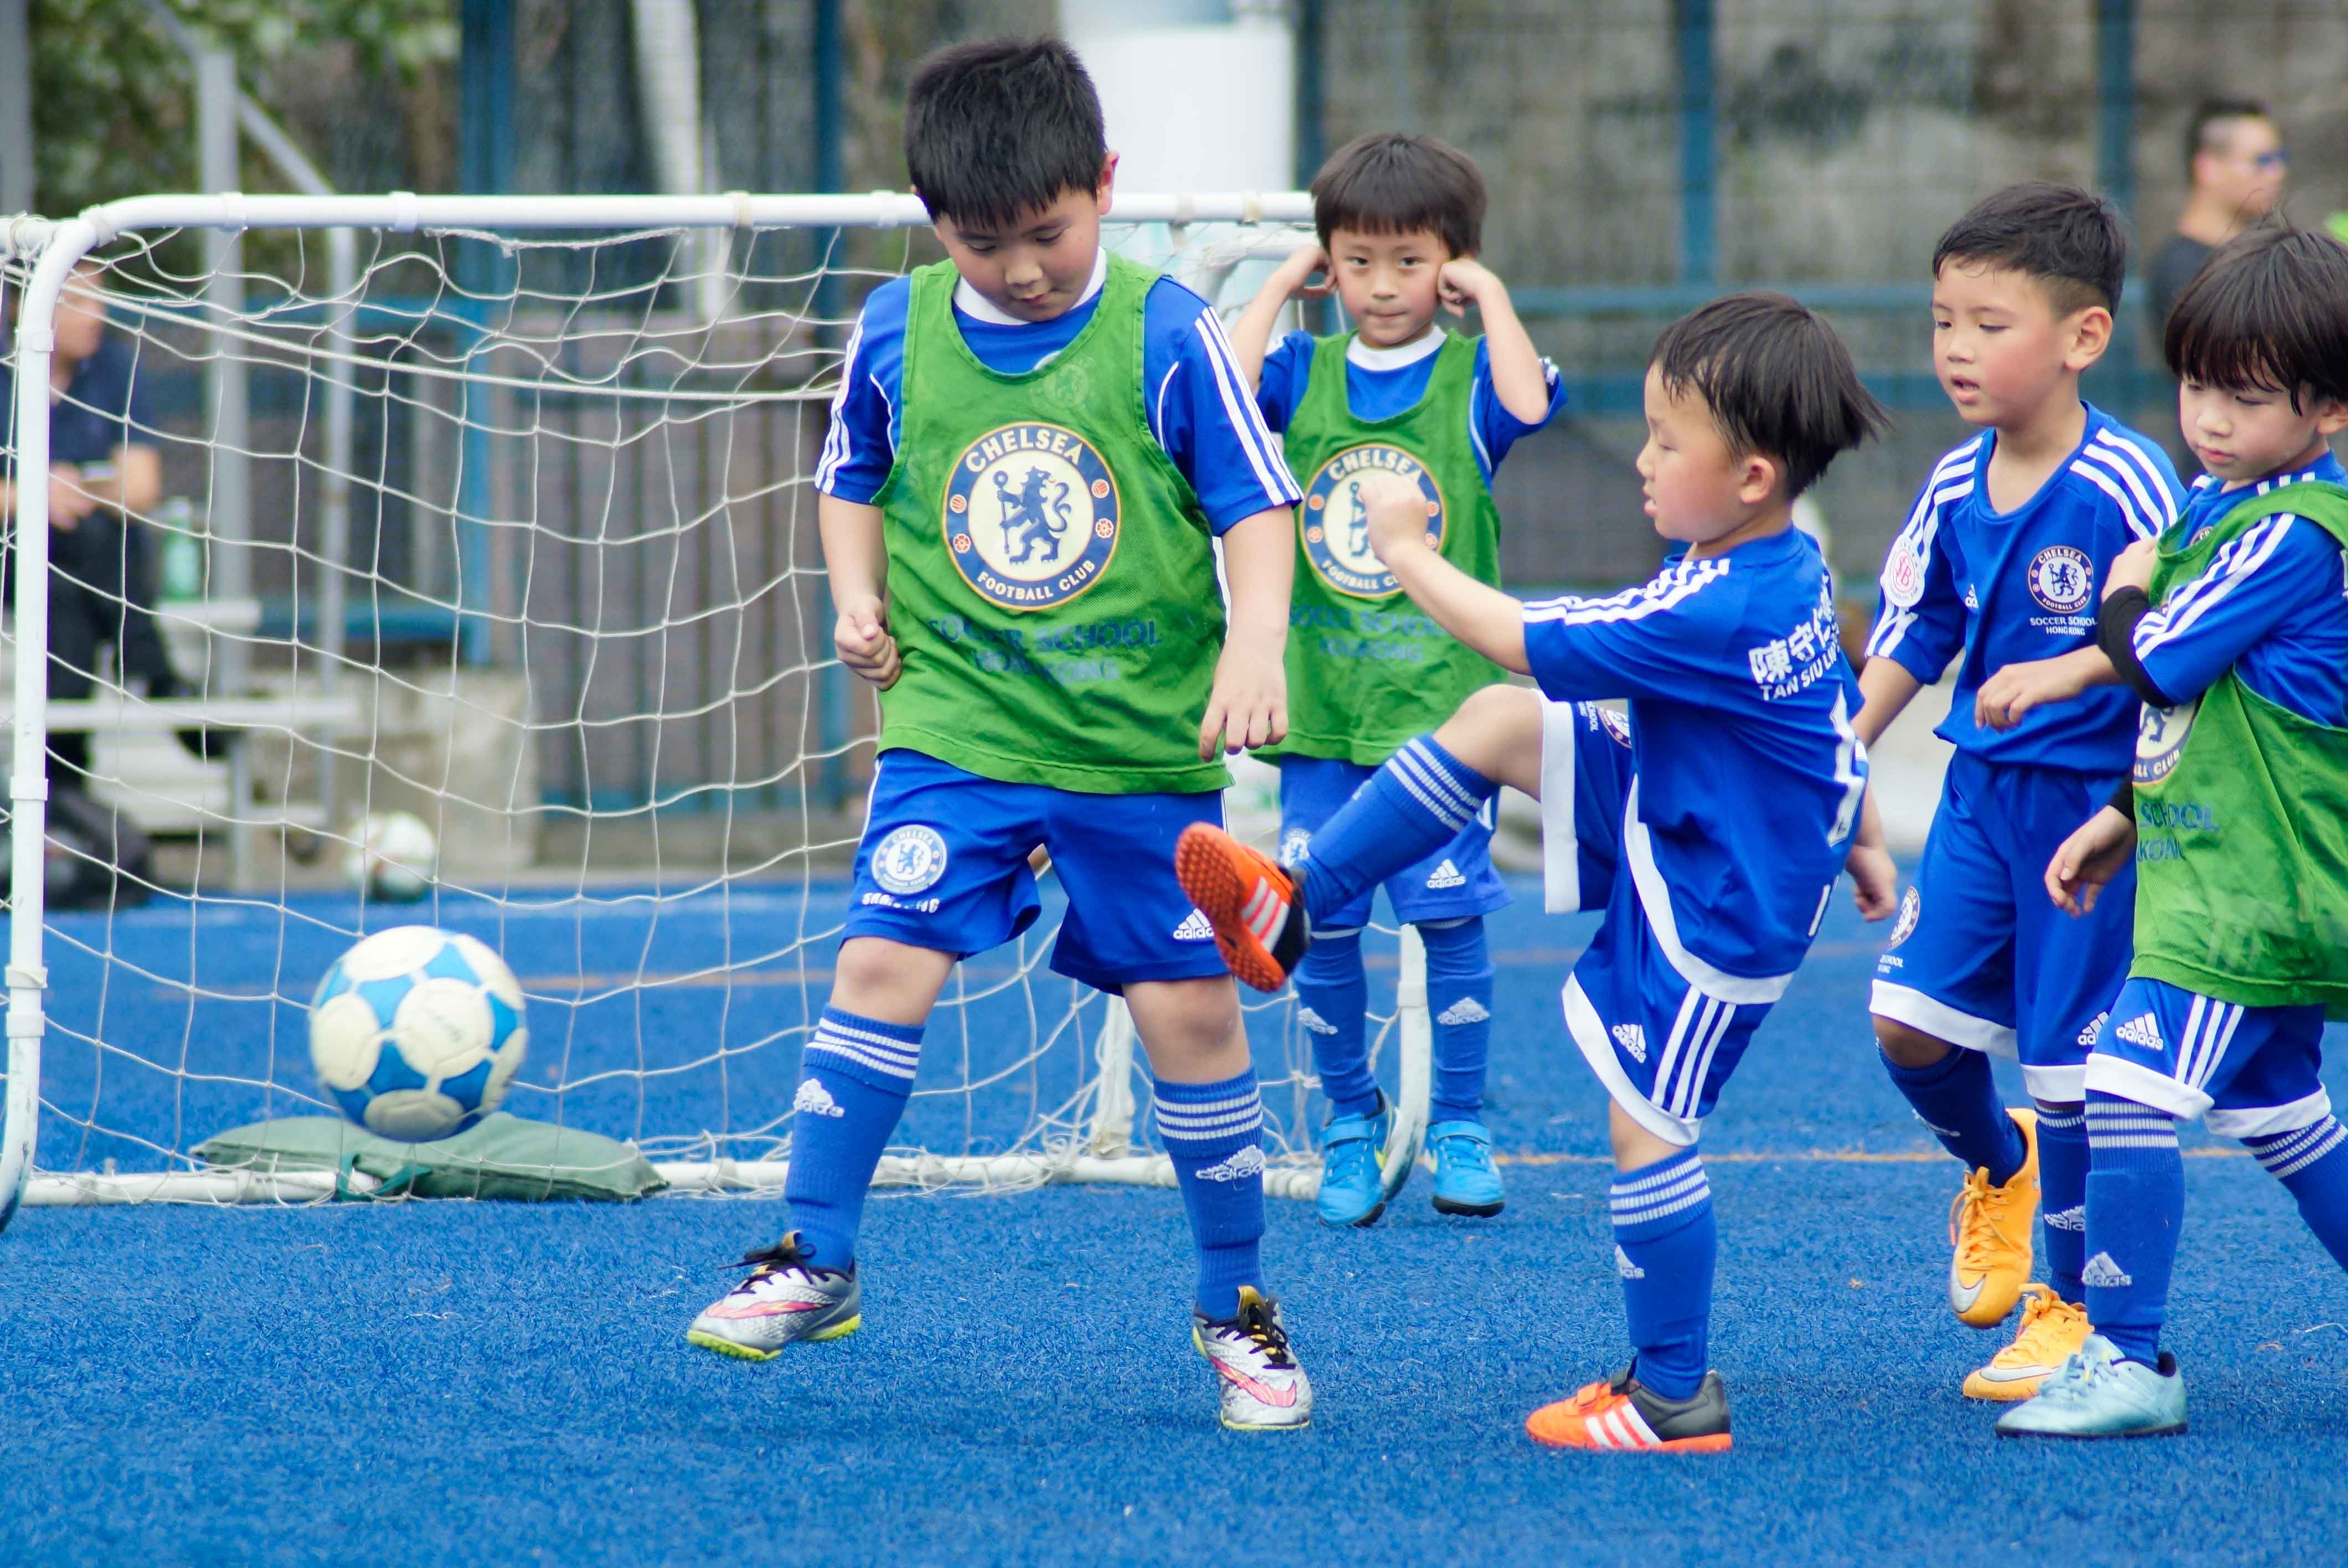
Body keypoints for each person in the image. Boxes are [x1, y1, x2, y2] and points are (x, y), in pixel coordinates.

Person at [682, 37, 1315, 1432]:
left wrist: (1256, 642)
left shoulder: (1163, 331)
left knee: (1191, 1013)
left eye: (1048, 233)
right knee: (879, 953)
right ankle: (813, 1253)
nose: (1022, 268)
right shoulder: (894, 328)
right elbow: (849, 474)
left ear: (1104, 184)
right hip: (953, 726)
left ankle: (1235, 1306)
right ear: (931, 223)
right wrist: (854, 599)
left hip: (1132, 747)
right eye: (984, 244)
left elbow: (1253, 506)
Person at [1177, 293, 1897, 1452]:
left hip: (1723, 903)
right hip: (1695, 809)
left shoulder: (1714, 600)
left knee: (1645, 1126)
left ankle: (1675, 1396)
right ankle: (1298, 904)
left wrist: (1405, 547)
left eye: (1667, 440)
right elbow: (1815, 723)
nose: (1641, 459)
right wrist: (1856, 821)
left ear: (1752, 475)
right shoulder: (1779, 564)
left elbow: (1521, 633)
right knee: (1498, 725)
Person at [1980, 221, 2348, 1438]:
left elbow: (2163, 658)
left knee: (2123, 1081)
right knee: (2286, 1125)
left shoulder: (2295, 530)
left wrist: (2123, 581)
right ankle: (2120, 1352)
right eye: (2195, 385)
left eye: (2243, 398)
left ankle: (2125, 1355)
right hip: (2214, 871)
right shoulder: (2224, 501)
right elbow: (2212, 719)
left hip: (2250, 894)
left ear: (2329, 411)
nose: (2205, 418)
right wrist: (2118, 820)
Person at [1858, 183, 2182, 1403]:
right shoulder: (1952, 482)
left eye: (1987, 324)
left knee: (2067, 1067)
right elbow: (1914, 621)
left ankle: (2062, 1311)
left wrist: (2061, 672)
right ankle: (1998, 1170)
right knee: (1904, 1027)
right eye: (1942, 320)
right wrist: (1843, 746)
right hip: (1974, 803)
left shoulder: (2127, 482)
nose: (1953, 348)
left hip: (2087, 817)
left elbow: (2175, 631)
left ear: (2081, 337)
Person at [1223, 131, 1563, 1226]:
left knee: (1447, 917)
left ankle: (1459, 1122)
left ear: (1449, 268)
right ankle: (1346, 1121)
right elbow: (1222, 401)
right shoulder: (1302, 372)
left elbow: (1530, 401)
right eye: (1356, 261)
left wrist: (1491, 295)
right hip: (1321, 715)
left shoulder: (1467, 378)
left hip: (1440, 719)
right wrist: (1278, 284)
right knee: (1318, 917)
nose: (1380, 286)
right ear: (1330, 262)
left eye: (1409, 262)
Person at [0, 258, 175, 781]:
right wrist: (35, 493)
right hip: (11, 554)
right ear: (26, 309)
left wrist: (74, 490)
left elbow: (142, 486)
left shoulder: (114, 368)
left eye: (99, 299)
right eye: (78, 301)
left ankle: (64, 784)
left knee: (69, 591)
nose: (95, 315)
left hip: (76, 567)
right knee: (75, 544)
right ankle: (151, 666)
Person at [2146, 99, 2287, 334]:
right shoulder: (2185, 270)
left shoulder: (2261, 253)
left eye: (2280, 158)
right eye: (2262, 161)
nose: (2278, 173)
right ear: (2208, 167)